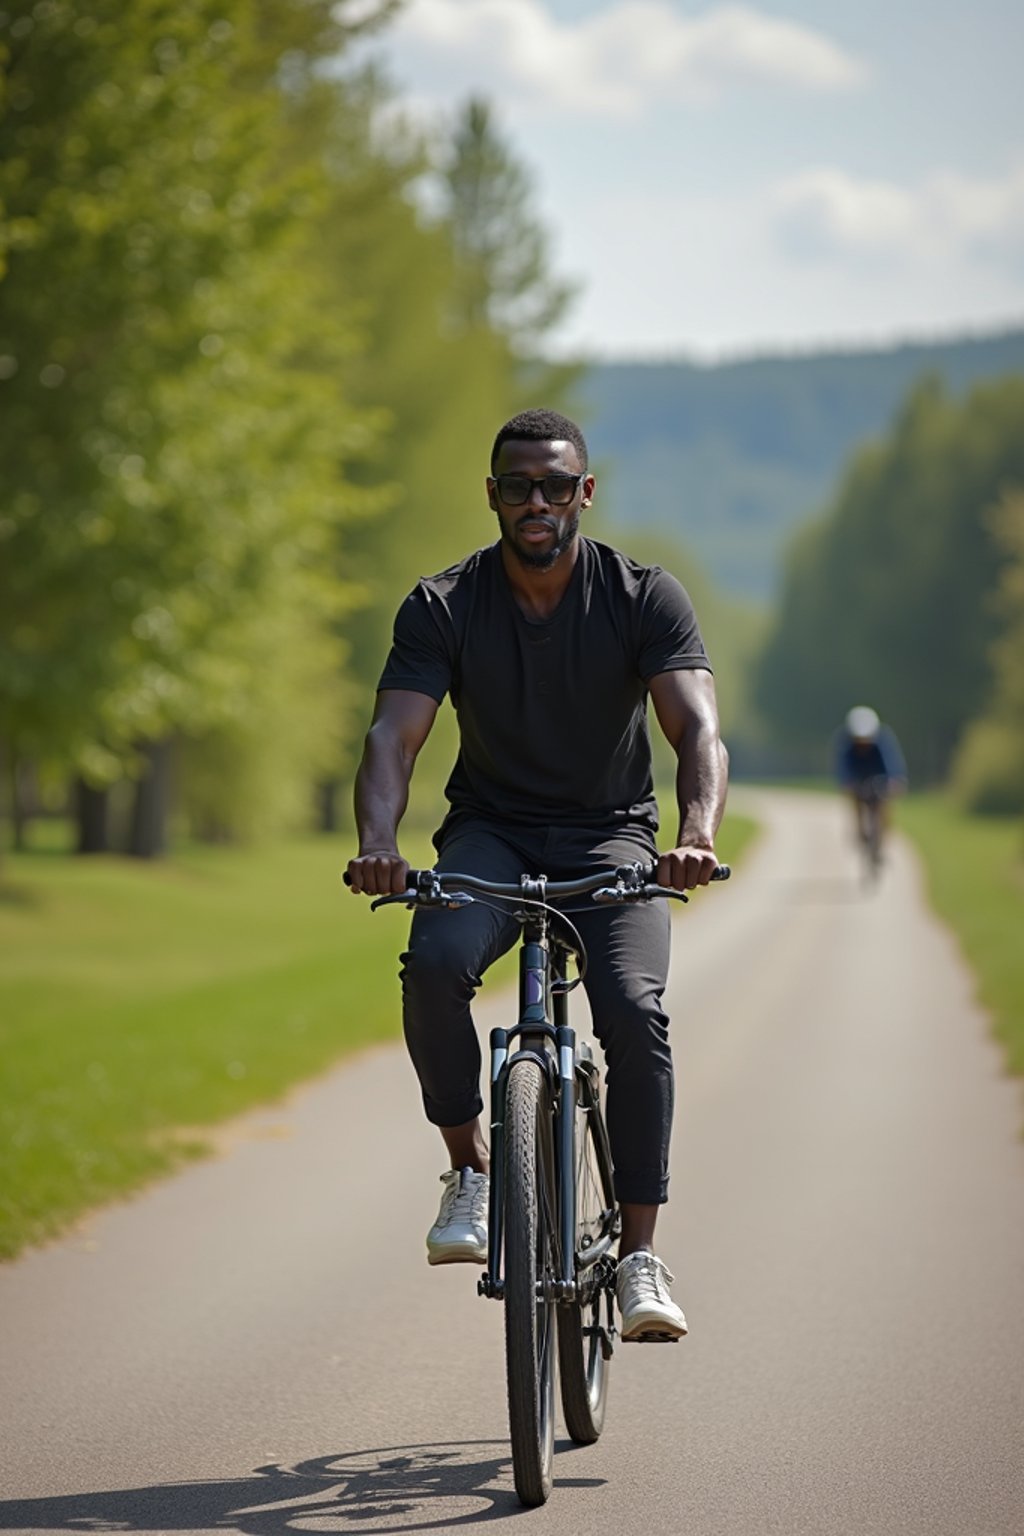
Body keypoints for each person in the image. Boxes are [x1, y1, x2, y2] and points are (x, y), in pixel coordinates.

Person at [346, 408, 728, 1342]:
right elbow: (394, 735)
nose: (536, 503)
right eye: (517, 486)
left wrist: (696, 830)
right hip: (492, 835)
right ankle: (471, 1170)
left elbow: (696, 730)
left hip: (612, 838)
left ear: (584, 494)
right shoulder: (443, 604)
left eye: (556, 486)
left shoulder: (643, 597)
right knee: (433, 964)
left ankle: (639, 1250)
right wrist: (380, 843)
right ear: (492, 496)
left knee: (634, 1010)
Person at [834, 705, 907, 859]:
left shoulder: (882, 740)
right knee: (856, 801)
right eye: (859, 739)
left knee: (884, 804)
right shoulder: (846, 743)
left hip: (878, 775)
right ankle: (860, 830)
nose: (863, 743)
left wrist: (894, 780)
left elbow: (891, 761)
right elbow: (843, 766)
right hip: (858, 777)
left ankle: (882, 839)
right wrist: (846, 782)